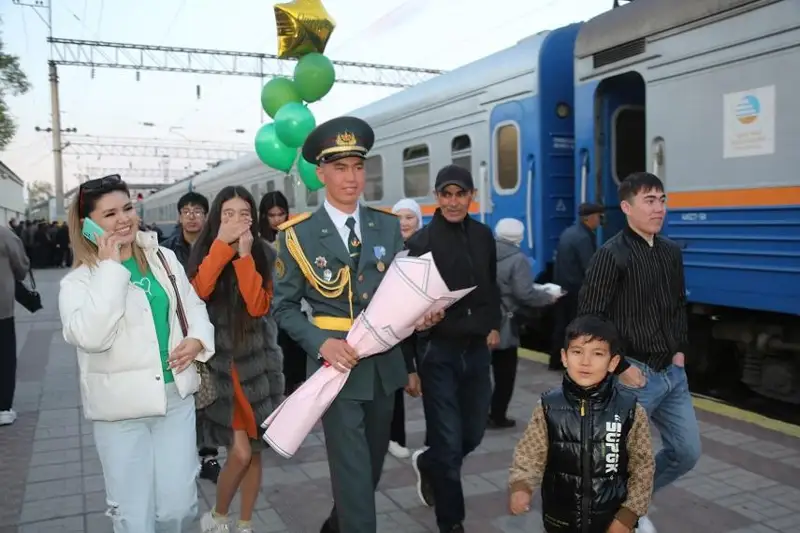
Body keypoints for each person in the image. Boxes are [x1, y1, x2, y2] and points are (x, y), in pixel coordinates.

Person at [272, 116, 442, 533]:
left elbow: (397, 299)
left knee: (369, 471)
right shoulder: (298, 235)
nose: (351, 178)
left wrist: (422, 318)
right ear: (321, 173)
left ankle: (337, 527)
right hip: (337, 369)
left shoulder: (386, 225)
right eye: (340, 167)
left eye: (358, 167)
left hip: (383, 368)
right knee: (353, 478)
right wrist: (321, 344)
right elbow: (284, 307)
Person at [58, 174, 216, 533]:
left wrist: (197, 341)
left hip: (174, 398)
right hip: (120, 412)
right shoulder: (79, 283)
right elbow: (91, 336)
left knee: (179, 508)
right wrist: (111, 269)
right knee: (135, 518)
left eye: (127, 208)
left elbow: (193, 307)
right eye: (109, 214)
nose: (123, 219)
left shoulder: (163, 258)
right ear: (88, 225)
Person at [577, 172, 700, 533]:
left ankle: (631, 503)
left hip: (671, 374)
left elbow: (678, 306)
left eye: (662, 199)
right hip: (633, 378)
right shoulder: (610, 255)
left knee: (686, 452)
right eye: (649, 200)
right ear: (627, 207)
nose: (658, 208)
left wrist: (679, 352)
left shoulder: (669, 252)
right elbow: (589, 320)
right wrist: (621, 368)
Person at [407, 164, 501, 533]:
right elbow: (406, 307)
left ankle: (429, 464)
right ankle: (451, 522)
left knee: (473, 434)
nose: (453, 201)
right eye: (446, 194)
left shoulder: (483, 235)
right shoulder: (421, 243)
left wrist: (494, 324)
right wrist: (410, 365)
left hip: (476, 351)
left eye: (460, 194)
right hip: (438, 354)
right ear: (436, 197)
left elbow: (490, 285)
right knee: (447, 441)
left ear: (470, 197)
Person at [189, 186, 284, 533]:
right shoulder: (204, 251)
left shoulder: (264, 254)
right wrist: (221, 249)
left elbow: (259, 306)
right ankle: (216, 515)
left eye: (244, 214)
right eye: (228, 214)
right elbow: (197, 293)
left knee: (254, 453)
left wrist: (245, 258)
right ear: (216, 219)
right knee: (240, 452)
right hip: (222, 370)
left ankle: (244, 523)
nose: (237, 221)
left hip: (258, 368)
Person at [508, 315, 655, 533]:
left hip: (611, 522)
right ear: (564, 357)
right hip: (560, 521)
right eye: (577, 352)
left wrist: (628, 516)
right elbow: (530, 453)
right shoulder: (548, 406)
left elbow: (643, 467)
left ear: (613, 363)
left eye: (597, 354)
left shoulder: (630, 410)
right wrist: (521, 486)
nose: (585, 362)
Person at [160, 191, 220, 483]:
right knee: (188, 394)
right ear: (179, 216)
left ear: (206, 216)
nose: (192, 215)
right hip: (180, 333)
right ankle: (186, 454)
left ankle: (208, 454)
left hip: (212, 330)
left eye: (198, 210)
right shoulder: (165, 251)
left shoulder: (217, 247)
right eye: (186, 211)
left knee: (209, 396)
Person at [490, 218, 559, 429]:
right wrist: (548, 297)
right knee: (505, 373)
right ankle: (498, 415)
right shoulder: (517, 259)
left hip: (485, 319)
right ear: (519, 237)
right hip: (505, 323)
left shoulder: (486, 252)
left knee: (483, 373)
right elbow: (524, 293)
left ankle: (482, 413)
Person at [387, 198, 425, 459]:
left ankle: (433, 444)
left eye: (410, 217)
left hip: (426, 326)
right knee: (399, 378)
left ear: (419, 221)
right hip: (396, 323)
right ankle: (394, 437)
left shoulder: (428, 249)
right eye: (399, 217)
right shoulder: (387, 249)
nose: (404, 222)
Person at [259, 190, 307, 395]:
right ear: (263, 216)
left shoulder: (295, 237)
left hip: (295, 308)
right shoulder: (257, 243)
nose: (277, 219)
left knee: (296, 365)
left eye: (281, 214)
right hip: (268, 312)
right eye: (272, 215)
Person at [550, 202, 604, 370]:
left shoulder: (569, 232)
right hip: (577, 290)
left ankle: (556, 361)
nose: (600, 221)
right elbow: (590, 267)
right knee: (578, 329)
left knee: (562, 326)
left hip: (563, 288)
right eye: (599, 217)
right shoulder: (584, 238)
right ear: (591, 218)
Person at [0, 224, 30, 425]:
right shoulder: (3, 234)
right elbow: (20, 266)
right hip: (1, 309)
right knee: (4, 356)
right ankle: (3, 408)